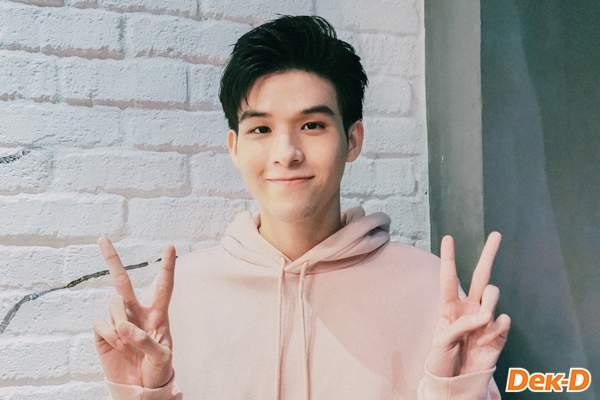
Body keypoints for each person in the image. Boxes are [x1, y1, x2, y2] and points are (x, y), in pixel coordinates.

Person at [93, 15, 511, 399]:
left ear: (352, 140)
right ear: (234, 147)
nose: (286, 153)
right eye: (261, 129)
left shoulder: (426, 286)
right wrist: (145, 394)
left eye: (312, 125)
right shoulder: (181, 294)